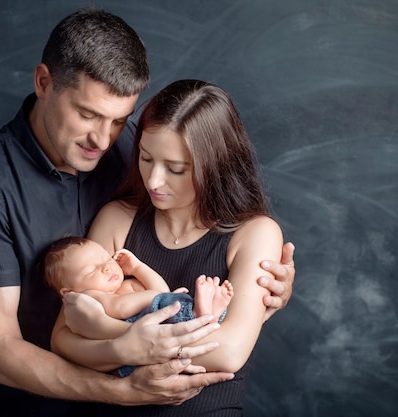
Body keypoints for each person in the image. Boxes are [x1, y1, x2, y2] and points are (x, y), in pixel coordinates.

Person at [0, 7, 295, 417]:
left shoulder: (135, 152)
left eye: (120, 121)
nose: (102, 139)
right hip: (35, 407)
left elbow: (228, 336)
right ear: (43, 83)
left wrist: (259, 296)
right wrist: (126, 383)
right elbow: (0, 352)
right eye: (87, 115)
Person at [54, 79, 286, 416]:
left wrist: (118, 337)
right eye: (146, 159)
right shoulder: (118, 219)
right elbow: (63, 339)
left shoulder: (255, 234)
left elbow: (228, 352)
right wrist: (127, 347)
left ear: (215, 166)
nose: (153, 181)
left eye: (175, 169)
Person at [42, 236, 233, 376]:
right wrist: (159, 297)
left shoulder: (129, 284)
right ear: (69, 292)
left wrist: (137, 268)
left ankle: (207, 315)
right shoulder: (89, 298)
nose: (106, 267)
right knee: (167, 305)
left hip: (159, 327)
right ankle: (202, 313)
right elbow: (120, 308)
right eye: (91, 270)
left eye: (106, 258)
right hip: (137, 348)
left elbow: (161, 289)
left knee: (168, 304)